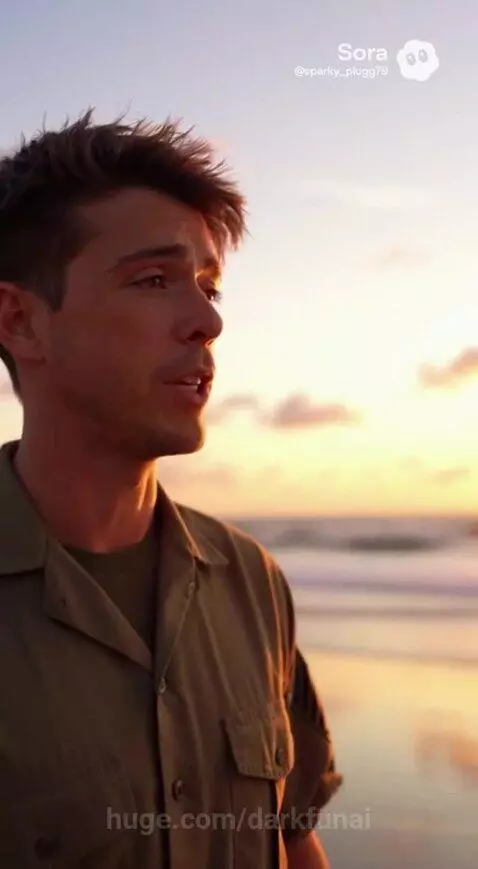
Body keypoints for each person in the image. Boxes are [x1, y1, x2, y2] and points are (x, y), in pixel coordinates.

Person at [0, 110, 342, 868]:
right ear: (21, 321)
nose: (207, 320)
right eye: (154, 280)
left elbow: (293, 833)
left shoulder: (250, 580)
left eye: (209, 285)